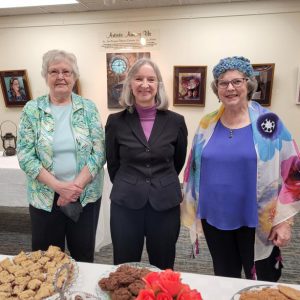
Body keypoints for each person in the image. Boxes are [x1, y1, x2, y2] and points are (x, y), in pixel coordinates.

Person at [181, 56, 300, 281]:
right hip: (215, 219)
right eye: (223, 83)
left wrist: (285, 221)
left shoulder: (269, 123)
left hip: (258, 221)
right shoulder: (207, 124)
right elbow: (193, 168)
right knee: (225, 279)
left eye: (237, 81)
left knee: (263, 281)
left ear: (249, 84)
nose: (230, 88)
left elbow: (295, 171)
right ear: (217, 89)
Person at [17, 49, 105, 262]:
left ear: (74, 76)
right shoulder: (32, 110)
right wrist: (59, 187)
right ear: (46, 76)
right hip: (46, 197)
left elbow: (99, 151)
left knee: (83, 255)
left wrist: (74, 188)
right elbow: (25, 155)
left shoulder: (88, 108)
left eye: (66, 71)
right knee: (46, 258)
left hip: (84, 196)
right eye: (53, 71)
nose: (60, 77)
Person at [105, 58, 188, 270]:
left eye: (151, 79)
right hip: (126, 204)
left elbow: (177, 161)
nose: (145, 84)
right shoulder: (116, 121)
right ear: (130, 84)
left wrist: (159, 181)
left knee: (162, 265)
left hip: (165, 204)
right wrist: (133, 183)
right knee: (124, 266)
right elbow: (113, 163)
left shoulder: (176, 121)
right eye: (139, 78)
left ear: (158, 85)